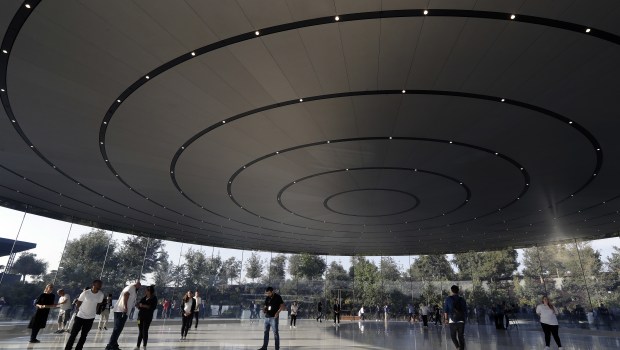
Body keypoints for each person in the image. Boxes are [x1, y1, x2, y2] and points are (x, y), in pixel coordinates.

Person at [65, 279, 104, 350]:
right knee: (73, 334)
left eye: (101, 284)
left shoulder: (101, 294)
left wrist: (94, 312)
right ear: (94, 284)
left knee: (84, 335)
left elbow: (98, 304)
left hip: (90, 318)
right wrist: (78, 311)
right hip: (80, 317)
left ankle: (79, 348)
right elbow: (79, 302)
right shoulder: (86, 293)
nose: (100, 286)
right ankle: (68, 348)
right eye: (99, 284)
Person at [105, 280, 141, 350]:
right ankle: (110, 346)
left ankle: (114, 345)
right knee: (117, 329)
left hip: (122, 311)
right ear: (136, 284)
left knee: (118, 329)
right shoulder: (131, 288)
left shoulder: (132, 289)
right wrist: (125, 306)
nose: (140, 286)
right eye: (139, 285)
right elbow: (126, 294)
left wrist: (136, 305)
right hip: (121, 311)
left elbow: (131, 300)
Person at [444, 285, 467, 350]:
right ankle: (461, 348)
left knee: (453, 336)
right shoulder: (462, 299)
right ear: (458, 291)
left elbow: (446, 310)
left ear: (451, 291)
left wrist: (446, 319)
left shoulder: (448, 299)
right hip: (461, 320)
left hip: (452, 320)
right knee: (461, 336)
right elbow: (465, 310)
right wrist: (465, 319)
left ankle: (457, 347)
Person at [136, 285, 157, 349]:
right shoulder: (144, 298)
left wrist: (144, 306)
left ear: (150, 291)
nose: (146, 292)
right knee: (140, 331)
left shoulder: (154, 298)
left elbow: (153, 307)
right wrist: (139, 305)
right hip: (140, 317)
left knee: (145, 331)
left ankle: (144, 345)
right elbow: (139, 305)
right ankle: (138, 346)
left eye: (147, 290)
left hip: (147, 317)